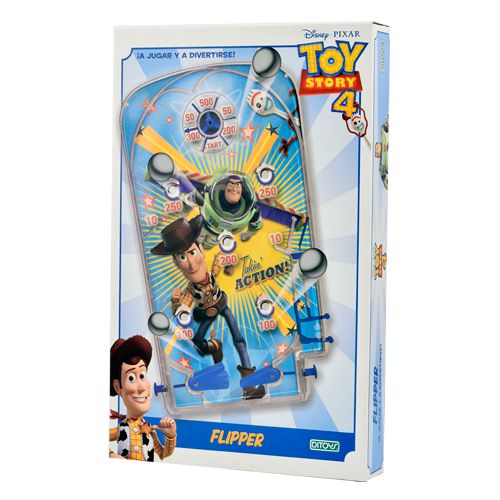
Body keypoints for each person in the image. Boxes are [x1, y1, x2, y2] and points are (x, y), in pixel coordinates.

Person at [151, 215, 265, 399]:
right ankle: (215, 348)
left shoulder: (212, 274)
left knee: (238, 339)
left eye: (192, 253)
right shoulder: (190, 290)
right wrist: (175, 302)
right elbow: (181, 309)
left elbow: (223, 262)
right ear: (176, 263)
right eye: (182, 257)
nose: (191, 263)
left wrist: (228, 256)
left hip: (222, 305)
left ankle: (249, 384)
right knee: (198, 344)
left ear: (201, 250)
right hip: (206, 313)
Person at [109, 335, 177, 461]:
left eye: (142, 376)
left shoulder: (150, 430)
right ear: (118, 387)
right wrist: (111, 455)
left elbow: (163, 454)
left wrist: (170, 436)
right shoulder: (120, 430)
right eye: (131, 378)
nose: (141, 388)